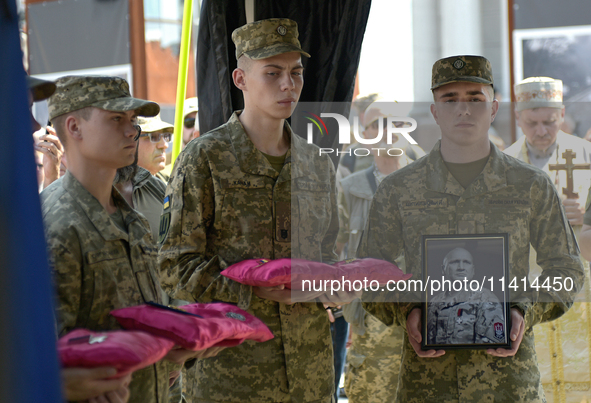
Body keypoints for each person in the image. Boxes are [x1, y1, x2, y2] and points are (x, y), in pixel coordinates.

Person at [359, 55, 584, 402]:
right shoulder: (399, 190)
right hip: (428, 386)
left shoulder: (529, 186)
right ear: (435, 112)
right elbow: (369, 272)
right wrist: (408, 309)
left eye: (475, 99)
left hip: (509, 385)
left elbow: (567, 269)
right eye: (450, 99)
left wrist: (524, 308)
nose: (463, 109)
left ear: (493, 109)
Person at [159, 18, 345, 402]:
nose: (287, 85)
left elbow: (328, 254)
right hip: (231, 376)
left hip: (310, 374)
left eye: (296, 73)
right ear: (240, 79)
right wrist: (258, 293)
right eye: (272, 73)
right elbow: (174, 265)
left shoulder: (316, 163)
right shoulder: (205, 158)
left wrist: (332, 284)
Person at [41, 75, 217, 403]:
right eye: (116, 119)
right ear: (74, 127)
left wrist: (173, 347)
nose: (132, 131)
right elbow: (41, 355)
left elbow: (145, 313)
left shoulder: (129, 217)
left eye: (133, 120)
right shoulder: (56, 225)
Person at [505, 76, 591, 402]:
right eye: (532, 122)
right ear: (517, 118)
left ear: (563, 114)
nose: (541, 131)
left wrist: (584, 220)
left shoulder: (587, 156)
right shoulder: (505, 166)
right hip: (531, 294)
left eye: (549, 122)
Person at [338, 102, 413, 403]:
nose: (385, 133)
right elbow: (334, 250)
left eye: (393, 125)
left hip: (418, 315)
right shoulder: (349, 188)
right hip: (368, 320)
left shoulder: (431, 182)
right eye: (377, 126)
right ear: (365, 134)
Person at [426, 248, 504, 345]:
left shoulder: (485, 298)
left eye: (466, 262)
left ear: (473, 270)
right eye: (454, 262)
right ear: (443, 269)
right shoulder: (434, 302)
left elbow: (490, 346)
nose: (461, 267)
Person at [136, 114, 174, 182]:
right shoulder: (118, 189)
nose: (164, 145)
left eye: (166, 136)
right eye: (153, 136)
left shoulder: (170, 183)